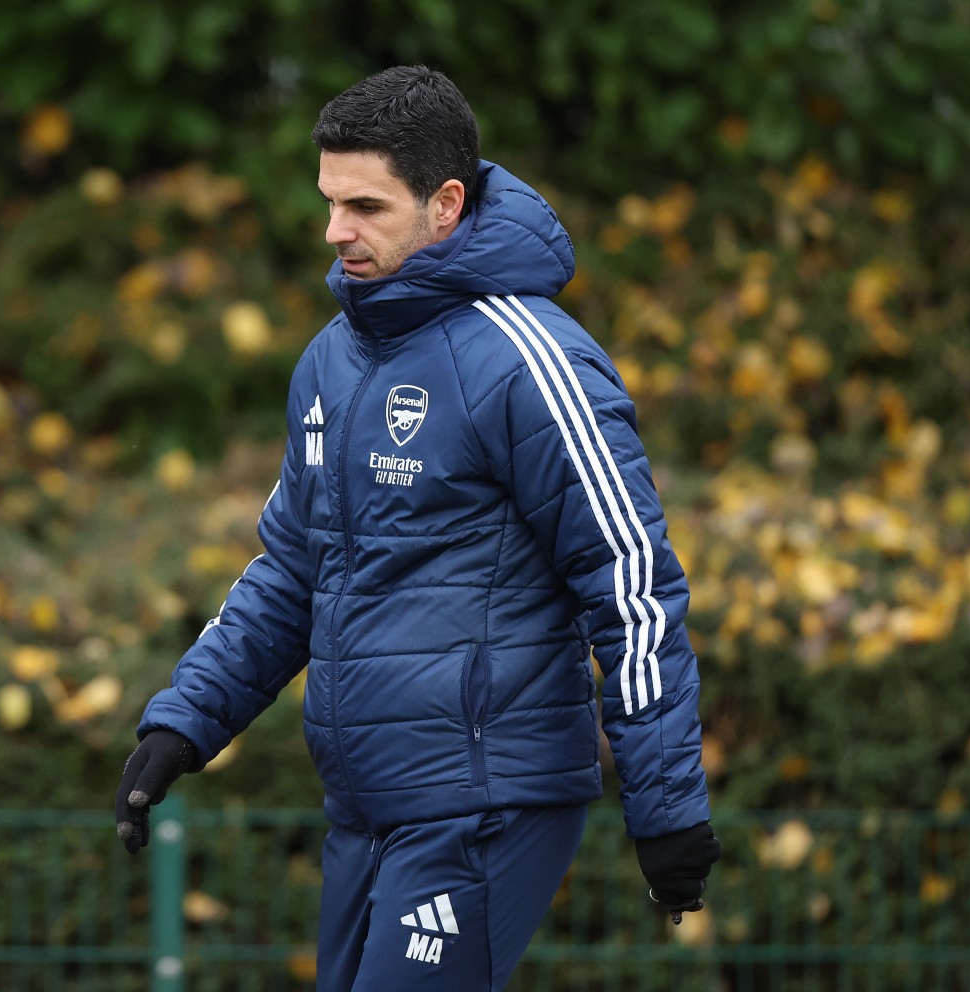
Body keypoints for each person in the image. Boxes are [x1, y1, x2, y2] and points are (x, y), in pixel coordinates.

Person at [116, 65, 721, 990]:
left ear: (445, 204)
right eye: (328, 202)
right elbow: (291, 570)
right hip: (365, 805)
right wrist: (187, 721)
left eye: (366, 205)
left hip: (485, 800)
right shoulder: (332, 359)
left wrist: (667, 806)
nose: (335, 231)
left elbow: (629, 581)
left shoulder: (531, 359)